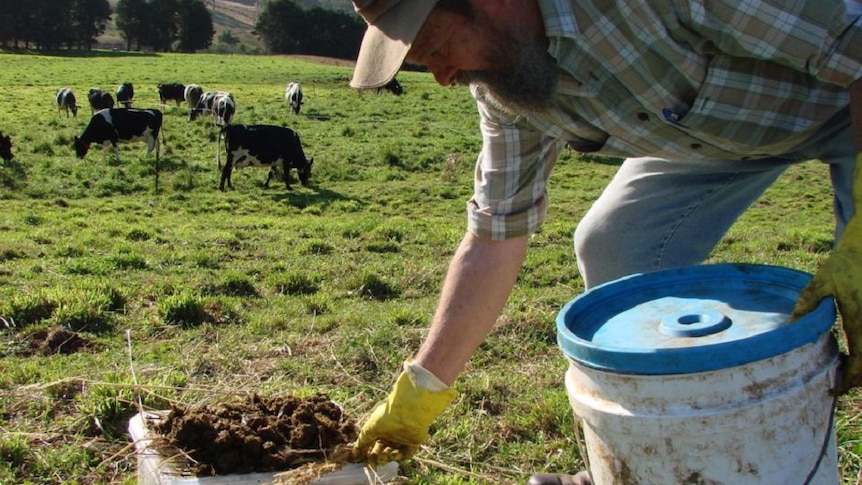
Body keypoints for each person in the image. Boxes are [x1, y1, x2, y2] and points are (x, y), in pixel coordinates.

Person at [348, 0, 862, 483]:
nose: (442, 77)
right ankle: (637, 463)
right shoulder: (502, 89)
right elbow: (494, 235)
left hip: (844, 106)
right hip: (718, 135)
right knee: (613, 246)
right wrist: (421, 389)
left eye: (437, 48)